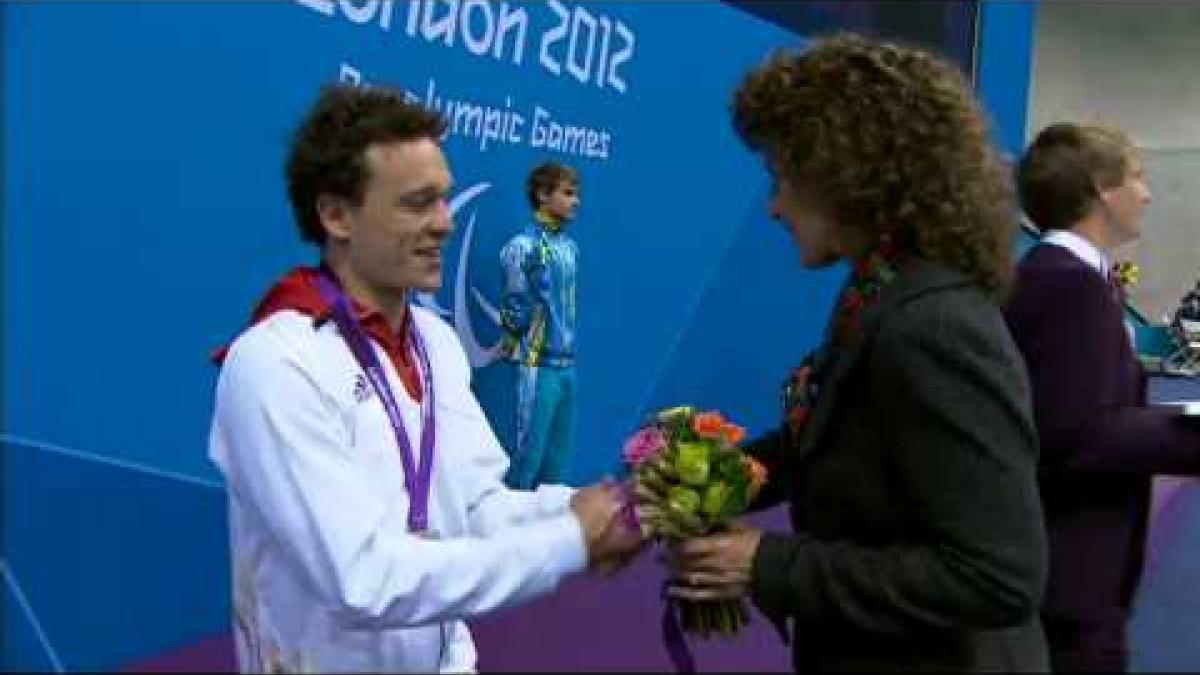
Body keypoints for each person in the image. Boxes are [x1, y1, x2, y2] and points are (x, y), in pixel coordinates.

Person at [208, 85, 640, 673]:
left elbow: (479, 507)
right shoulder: (273, 363)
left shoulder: (435, 341)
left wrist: (613, 509)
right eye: (417, 203)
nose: (444, 224)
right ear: (336, 215)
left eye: (444, 200)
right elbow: (364, 580)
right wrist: (570, 542)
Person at [667, 34, 1049, 672]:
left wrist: (765, 563)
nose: (774, 206)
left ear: (847, 172)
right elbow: (828, 444)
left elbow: (997, 575)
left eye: (782, 176)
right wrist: (702, 481)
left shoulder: (934, 324)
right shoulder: (881, 292)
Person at [1007, 122, 1200, 672]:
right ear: (1100, 189)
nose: (1148, 193)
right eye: (1137, 177)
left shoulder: (1064, 278)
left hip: (1066, 569)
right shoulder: (1069, 285)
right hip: (1069, 572)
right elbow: (1081, 433)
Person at [498, 162, 581, 488]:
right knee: (527, 458)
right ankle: (508, 531)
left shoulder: (571, 248)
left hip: (567, 366)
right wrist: (514, 337)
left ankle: (551, 533)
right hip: (537, 365)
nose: (576, 201)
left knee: (558, 462)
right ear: (542, 195)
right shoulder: (522, 247)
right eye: (568, 193)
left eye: (577, 194)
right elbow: (513, 301)